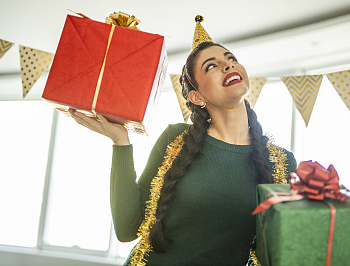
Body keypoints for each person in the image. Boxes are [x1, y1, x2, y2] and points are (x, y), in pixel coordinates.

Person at [69, 16, 296, 266]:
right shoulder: (175, 139)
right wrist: (120, 141)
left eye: (231, 59)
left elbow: (273, 255)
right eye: (211, 66)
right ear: (198, 97)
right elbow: (127, 229)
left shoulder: (282, 162)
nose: (228, 65)